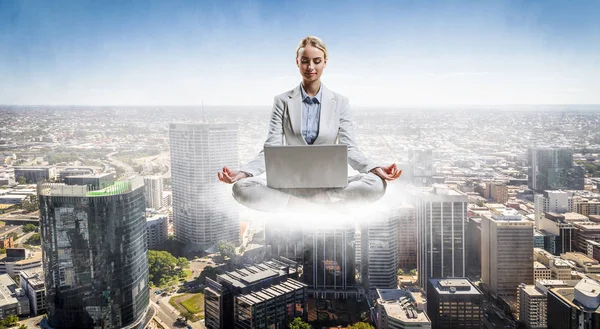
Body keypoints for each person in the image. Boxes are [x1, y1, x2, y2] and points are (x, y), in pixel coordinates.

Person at [218, 36, 401, 212]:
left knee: (377, 185)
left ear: (325, 62)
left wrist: (375, 168)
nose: (310, 67)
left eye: (317, 61)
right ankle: (304, 205)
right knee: (240, 188)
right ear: (297, 62)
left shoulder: (340, 102)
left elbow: (350, 149)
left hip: (330, 186)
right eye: (305, 60)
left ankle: (317, 202)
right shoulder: (282, 101)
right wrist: (243, 173)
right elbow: (271, 149)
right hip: (290, 186)